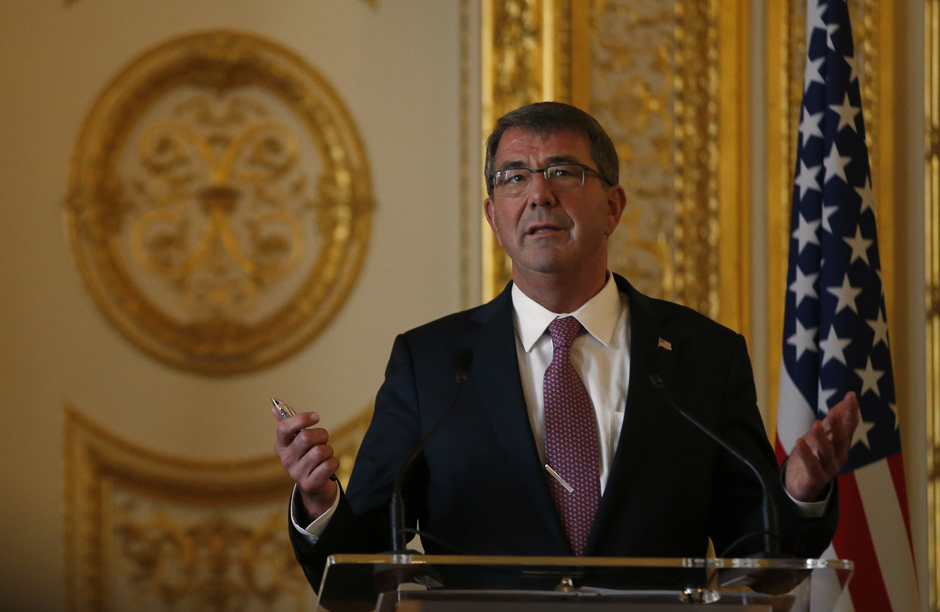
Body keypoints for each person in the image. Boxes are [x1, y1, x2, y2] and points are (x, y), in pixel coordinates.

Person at [273, 102, 859, 591]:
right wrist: (320, 501)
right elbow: (359, 569)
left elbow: (756, 551)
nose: (539, 195)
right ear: (494, 218)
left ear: (613, 207)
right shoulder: (430, 365)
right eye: (514, 177)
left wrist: (801, 493)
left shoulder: (704, 356)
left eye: (564, 172)